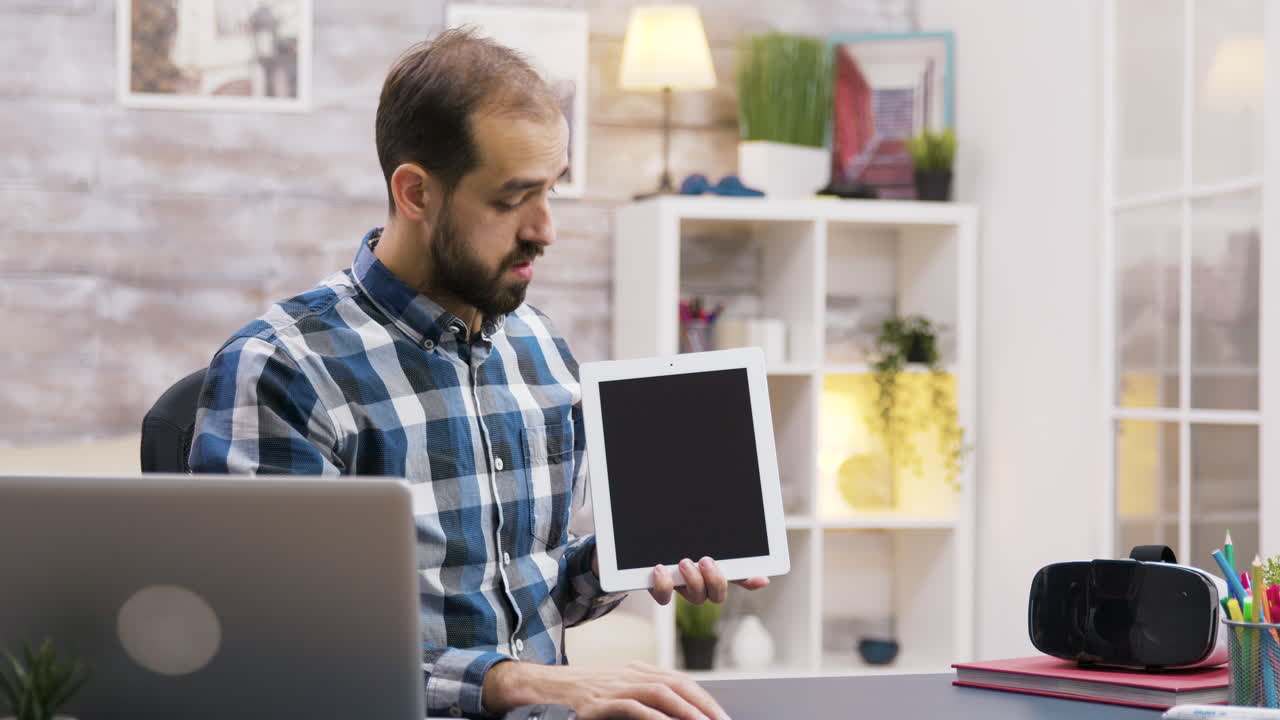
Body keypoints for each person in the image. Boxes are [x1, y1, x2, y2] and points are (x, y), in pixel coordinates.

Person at [189, 28, 767, 720]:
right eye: (511, 199)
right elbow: (271, 647)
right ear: (415, 193)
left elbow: (529, 588)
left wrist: (623, 561)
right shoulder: (284, 369)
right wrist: (512, 681)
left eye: (551, 189)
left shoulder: (541, 351)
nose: (546, 229)